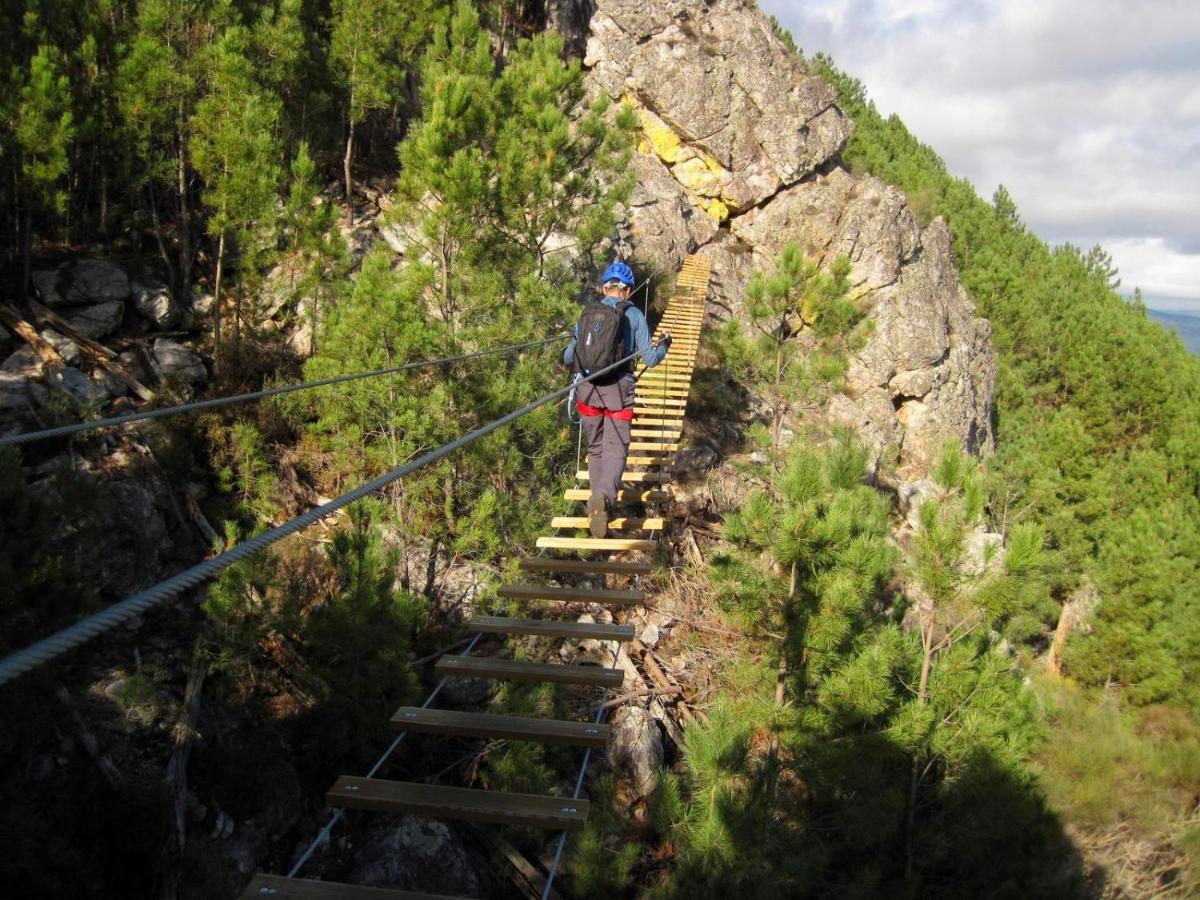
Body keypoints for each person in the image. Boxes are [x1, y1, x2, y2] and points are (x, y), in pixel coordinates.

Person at [564, 261, 671, 537]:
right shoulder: (633, 314)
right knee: (616, 448)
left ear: (604, 287)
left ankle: (595, 503)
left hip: (587, 390)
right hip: (619, 392)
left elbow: (568, 356)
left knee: (597, 448)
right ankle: (605, 500)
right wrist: (664, 347)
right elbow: (650, 358)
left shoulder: (588, 313)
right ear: (628, 290)